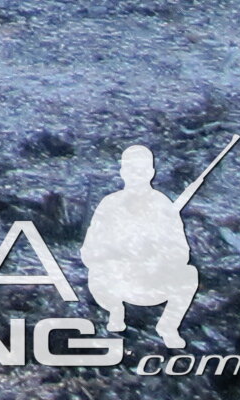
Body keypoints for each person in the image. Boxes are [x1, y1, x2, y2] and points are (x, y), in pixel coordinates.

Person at [82, 144, 204, 349]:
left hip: (151, 279)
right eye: (130, 169)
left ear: (151, 172)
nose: (135, 175)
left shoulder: (163, 205)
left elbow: (181, 252)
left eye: (141, 170)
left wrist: (156, 256)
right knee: (97, 273)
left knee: (188, 274)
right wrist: (119, 252)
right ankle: (115, 311)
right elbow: (88, 252)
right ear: (122, 172)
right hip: (117, 279)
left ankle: (168, 326)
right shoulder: (109, 205)